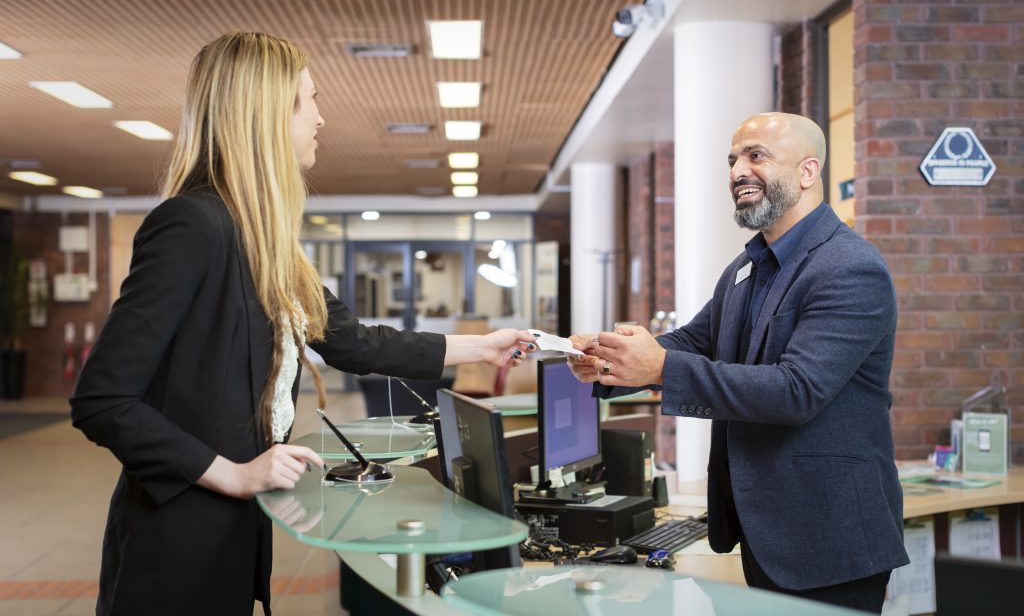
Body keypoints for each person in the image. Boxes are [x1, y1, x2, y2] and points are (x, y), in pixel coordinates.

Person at [69, 31, 535, 616]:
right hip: (178, 541)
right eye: (309, 99)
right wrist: (233, 475)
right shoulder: (192, 225)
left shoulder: (266, 237)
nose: (320, 118)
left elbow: (351, 341)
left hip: (232, 531)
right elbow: (104, 399)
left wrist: (483, 348)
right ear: (265, 114)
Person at [569, 112, 908, 612]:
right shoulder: (747, 266)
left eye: (756, 155)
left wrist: (658, 369)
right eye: (732, 160)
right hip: (765, 528)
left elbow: (797, 391)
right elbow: (695, 341)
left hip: (828, 536)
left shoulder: (850, 267)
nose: (737, 171)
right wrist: (611, 362)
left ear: (808, 172)